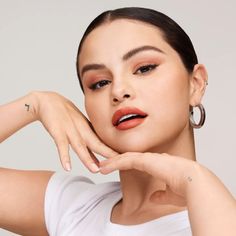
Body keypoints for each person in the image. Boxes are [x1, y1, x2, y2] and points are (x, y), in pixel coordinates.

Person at [0, 7, 236, 236]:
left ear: (195, 84)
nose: (118, 91)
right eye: (99, 83)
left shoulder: (221, 215)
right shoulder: (73, 209)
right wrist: (35, 104)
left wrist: (196, 181)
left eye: (144, 68)